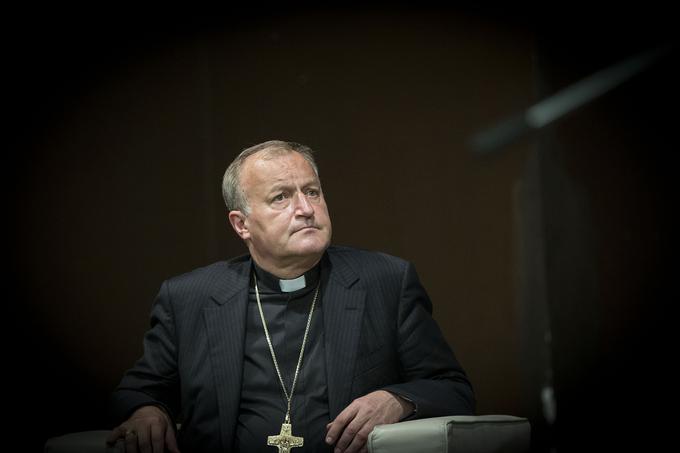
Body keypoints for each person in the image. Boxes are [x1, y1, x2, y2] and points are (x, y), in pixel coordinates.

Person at [107, 140, 475, 453]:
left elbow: (453, 390)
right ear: (241, 224)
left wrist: (397, 400)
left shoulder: (386, 282)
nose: (306, 209)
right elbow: (137, 390)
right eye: (281, 197)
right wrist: (147, 411)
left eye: (312, 191)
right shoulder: (189, 297)